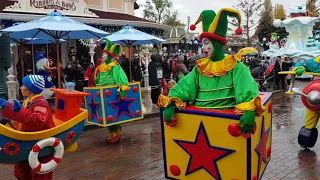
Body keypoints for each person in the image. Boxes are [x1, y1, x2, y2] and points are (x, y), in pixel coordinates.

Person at [159, 8, 265, 134]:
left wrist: (250, 110)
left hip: (225, 127)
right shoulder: (200, 68)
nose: (203, 48)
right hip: (198, 126)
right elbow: (184, 88)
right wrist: (170, 104)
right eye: (202, 44)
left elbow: (248, 90)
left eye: (206, 43)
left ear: (217, 43)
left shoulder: (236, 67)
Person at [0, 75, 55, 179]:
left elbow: (36, 120)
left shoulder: (41, 104)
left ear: (31, 89)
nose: (21, 87)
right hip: (27, 142)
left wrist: (20, 110)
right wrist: (7, 106)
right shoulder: (28, 101)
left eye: (24, 85)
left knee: (40, 174)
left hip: (41, 145)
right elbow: (21, 116)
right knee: (21, 170)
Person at [95, 38, 130, 144]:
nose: (102, 57)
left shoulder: (115, 67)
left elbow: (122, 78)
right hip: (102, 94)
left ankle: (116, 131)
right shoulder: (102, 67)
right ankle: (112, 132)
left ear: (109, 56)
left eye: (104, 55)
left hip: (111, 94)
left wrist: (123, 90)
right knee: (105, 115)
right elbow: (98, 80)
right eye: (102, 55)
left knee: (111, 114)